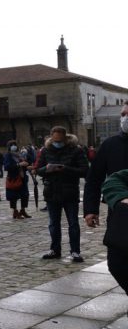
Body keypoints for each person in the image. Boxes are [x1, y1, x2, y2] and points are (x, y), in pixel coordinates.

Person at [84, 103, 128, 284]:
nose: (124, 117)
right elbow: (94, 178)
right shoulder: (111, 144)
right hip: (119, 212)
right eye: (123, 114)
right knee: (117, 264)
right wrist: (90, 209)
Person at [37, 126, 89, 262]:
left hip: (70, 192)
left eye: (60, 140)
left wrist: (66, 169)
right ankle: (55, 249)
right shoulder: (46, 151)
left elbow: (84, 170)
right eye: (55, 139)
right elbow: (38, 169)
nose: (57, 142)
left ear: (65, 138)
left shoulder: (76, 150)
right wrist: (47, 169)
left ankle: (75, 251)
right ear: (51, 138)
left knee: (73, 223)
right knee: (53, 223)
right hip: (52, 191)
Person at [4, 140, 32, 219]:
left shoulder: (20, 155)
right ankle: (15, 211)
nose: (14, 146)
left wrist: (26, 165)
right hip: (13, 178)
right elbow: (7, 167)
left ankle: (22, 210)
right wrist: (18, 164)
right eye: (12, 145)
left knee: (25, 195)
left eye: (15, 144)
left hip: (22, 177)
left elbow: (26, 163)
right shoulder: (8, 155)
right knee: (13, 196)